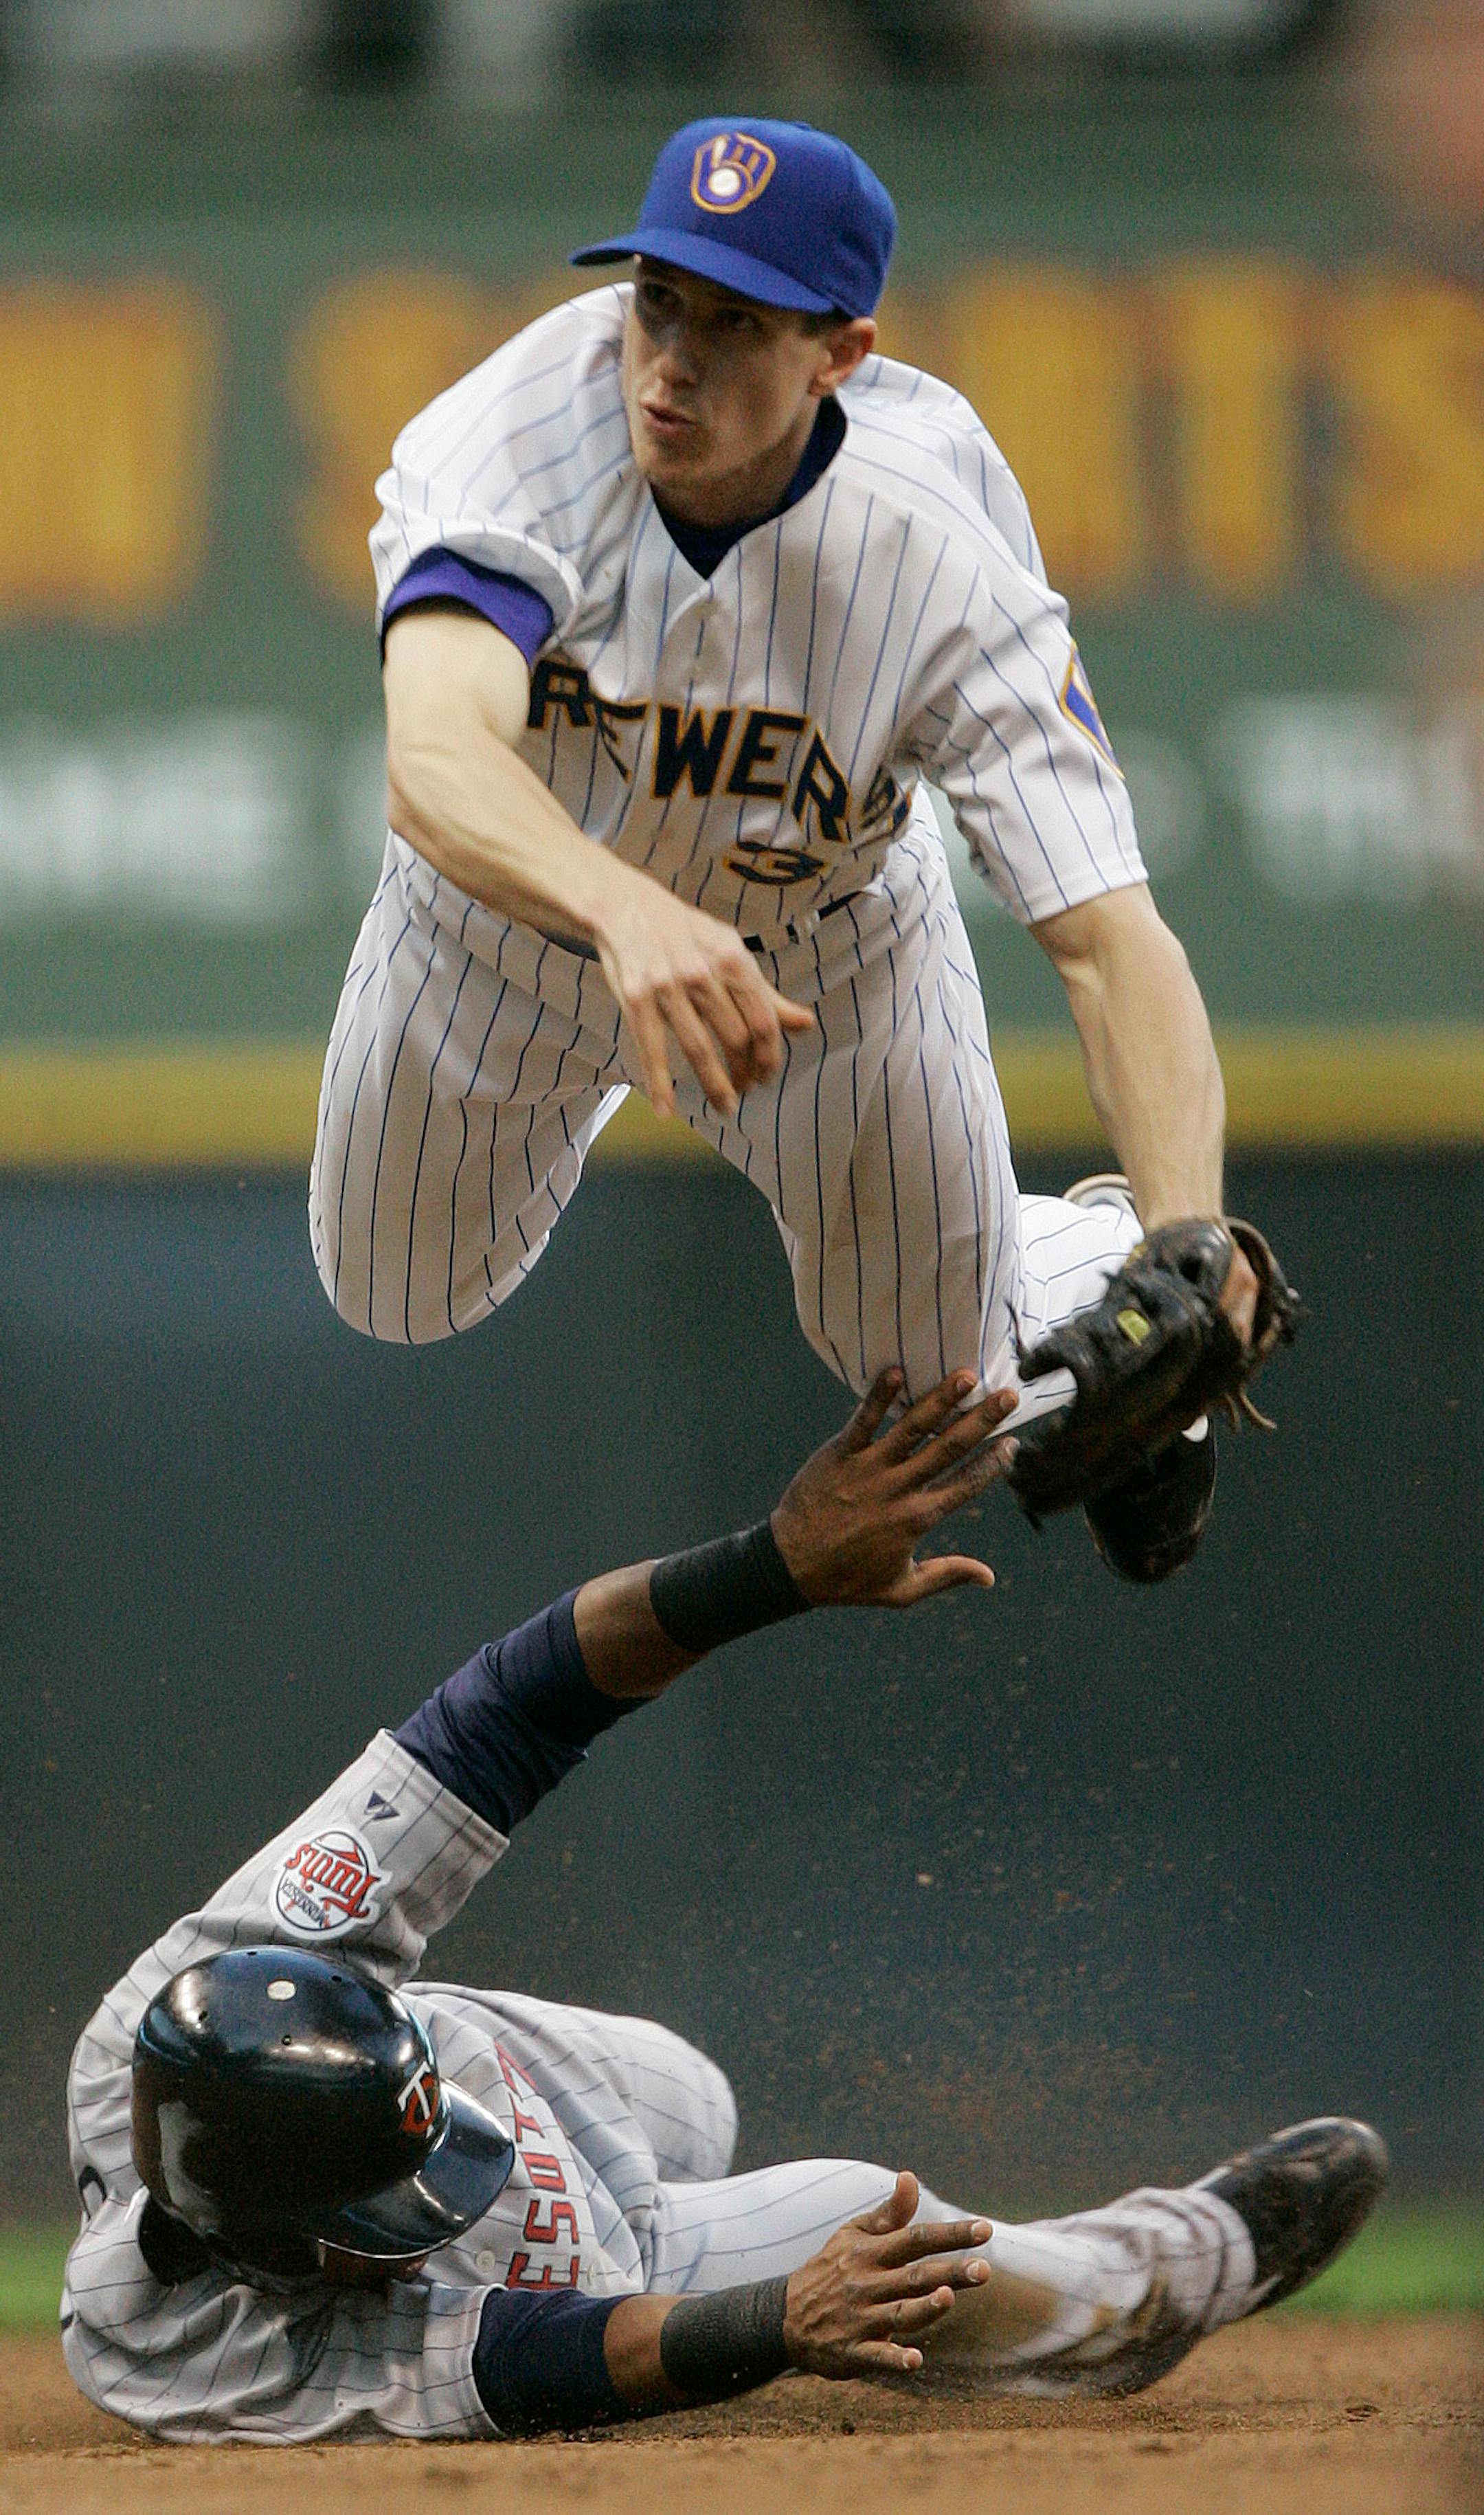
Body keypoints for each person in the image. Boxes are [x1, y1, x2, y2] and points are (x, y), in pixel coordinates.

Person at [308, 115, 1270, 1585]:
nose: (670, 358)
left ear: (839, 351)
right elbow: (435, 757)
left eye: (733, 322)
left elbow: (1106, 932)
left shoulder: (937, 538)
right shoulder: (513, 439)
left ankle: (1077, 1250)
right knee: (392, 1290)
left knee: (937, 1384)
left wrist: (1190, 1236)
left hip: (820, 960)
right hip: (509, 931)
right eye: (656, 299)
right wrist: (626, 916)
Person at [63, 1372, 1384, 2441]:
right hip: (597, 2260)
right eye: (376, 2215)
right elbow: (556, 2359)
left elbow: (505, 1713)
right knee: (876, 2223)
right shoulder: (195, 2359)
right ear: (271, 2256)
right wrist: (777, 2322)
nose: (430, 2200)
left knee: (697, 2096)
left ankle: (528, 2122)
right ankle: (1169, 2276)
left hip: (495, 2071)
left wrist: (775, 1566)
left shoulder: (219, 1983)